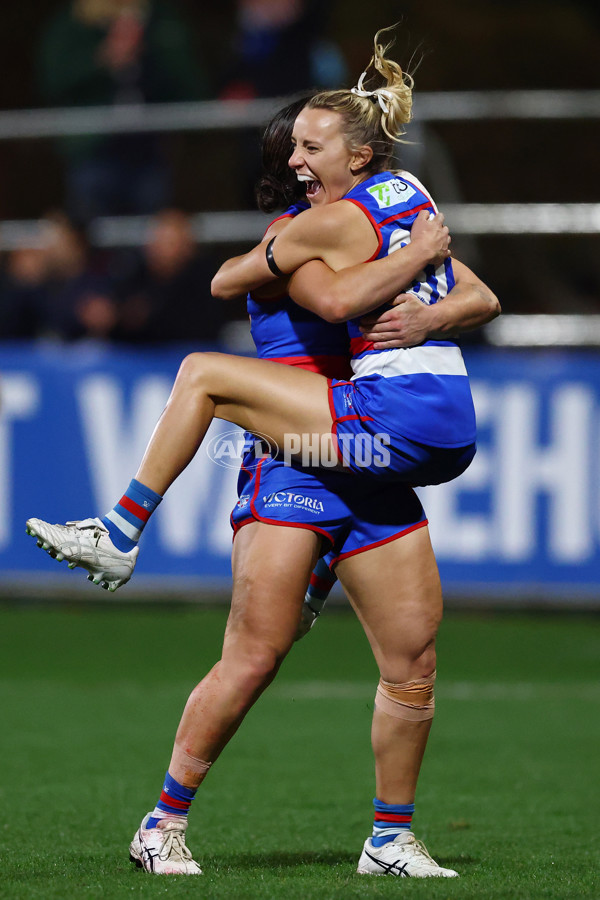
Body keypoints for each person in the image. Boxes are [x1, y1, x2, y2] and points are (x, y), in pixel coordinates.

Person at [26, 80, 498, 879]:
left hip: (365, 446)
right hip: (299, 455)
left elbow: (477, 295)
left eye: (311, 146)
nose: (296, 159)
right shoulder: (303, 237)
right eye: (294, 150)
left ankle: (390, 839)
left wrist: (428, 311)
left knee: (413, 660)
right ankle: (162, 824)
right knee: (253, 656)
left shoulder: (374, 222)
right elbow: (332, 296)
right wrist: (419, 258)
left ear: (357, 156)